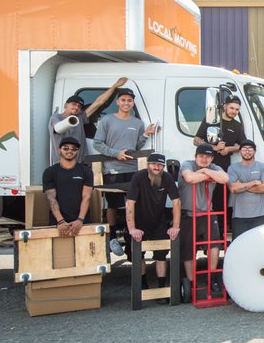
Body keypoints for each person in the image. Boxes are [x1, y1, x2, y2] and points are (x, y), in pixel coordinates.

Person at [92, 86, 157, 255]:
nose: (126, 103)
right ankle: (112, 237)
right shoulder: (107, 120)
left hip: (133, 168)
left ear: (133, 103)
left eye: (129, 100)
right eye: (123, 100)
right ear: (117, 102)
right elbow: (97, 143)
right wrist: (116, 154)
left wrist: (146, 134)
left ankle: (130, 239)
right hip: (113, 169)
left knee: (132, 204)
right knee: (113, 204)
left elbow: (136, 146)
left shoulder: (137, 123)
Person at [125, 153, 181, 290]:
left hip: (158, 221)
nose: (157, 167)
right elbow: (130, 203)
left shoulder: (167, 178)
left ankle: (161, 286)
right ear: (148, 165)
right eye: (154, 164)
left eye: (160, 165)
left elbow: (177, 202)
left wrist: (175, 226)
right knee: (138, 254)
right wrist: (132, 229)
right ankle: (143, 284)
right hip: (139, 222)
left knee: (161, 255)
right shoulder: (138, 177)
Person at [177, 144, 228, 286]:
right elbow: (189, 178)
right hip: (188, 214)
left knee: (214, 245)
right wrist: (210, 175)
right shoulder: (187, 164)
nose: (204, 159)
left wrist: (205, 170)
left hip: (207, 213)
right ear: (195, 156)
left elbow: (224, 178)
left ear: (212, 158)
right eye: (201, 156)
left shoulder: (213, 167)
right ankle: (191, 282)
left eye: (208, 157)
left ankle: (212, 279)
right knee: (188, 249)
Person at [48, 76, 126, 164]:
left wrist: (115, 86)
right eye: (74, 104)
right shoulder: (56, 117)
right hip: (63, 164)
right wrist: (69, 122)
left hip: (81, 163)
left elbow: (98, 102)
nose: (76, 107)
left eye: (79, 106)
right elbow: (57, 128)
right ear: (66, 105)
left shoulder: (80, 118)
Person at [194, 95, 247, 213]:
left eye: (237, 109)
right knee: (203, 195)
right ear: (224, 106)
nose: (234, 111)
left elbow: (244, 146)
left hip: (223, 166)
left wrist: (228, 149)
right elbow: (196, 140)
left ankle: (220, 223)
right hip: (205, 163)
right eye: (232, 108)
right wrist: (214, 147)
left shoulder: (237, 126)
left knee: (221, 197)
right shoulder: (211, 120)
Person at [42, 136, 93, 236]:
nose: (70, 151)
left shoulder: (86, 171)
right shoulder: (49, 172)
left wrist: (80, 220)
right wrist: (60, 221)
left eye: (74, 149)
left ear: (78, 151)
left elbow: (87, 196)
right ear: (59, 150)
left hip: (82, 223)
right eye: (65, 148)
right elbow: (51, 198)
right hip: (57, 223)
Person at [226, 140, 264, 240]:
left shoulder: (262, 166)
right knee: (239, 245)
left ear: (255, 151)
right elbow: (233, 188)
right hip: (239, 216)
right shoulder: (233, 168)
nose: (247, 151)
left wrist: (241, 186)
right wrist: (254, 182)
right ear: (240, 152)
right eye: (244, 149)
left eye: (250, 149)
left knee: (261, 244)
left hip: (261, 215)